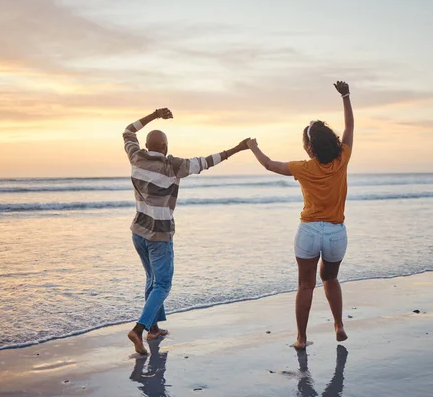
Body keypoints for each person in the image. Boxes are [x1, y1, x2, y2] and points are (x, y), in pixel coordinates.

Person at [123, 107, 249, 354]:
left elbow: (128, 131)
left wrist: (154, 115)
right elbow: (207, 161)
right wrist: (238, 148)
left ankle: (153, 329)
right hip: (159, 236)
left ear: (147, 144)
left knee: (151, 279)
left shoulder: (136, 156)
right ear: (165, 147)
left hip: (138, 232)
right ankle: (138, 330)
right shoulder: (173, 165)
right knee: (163, 285)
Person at [246, 81, 354, 349]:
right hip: (336, 233)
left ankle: (301, 338)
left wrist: (253, 147)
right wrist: (346, 96)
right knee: (330, 278)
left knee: (306, 286)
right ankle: (339, 324)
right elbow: (349, 128)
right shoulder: (343, 158)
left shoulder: (302, 167)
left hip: (308, 232)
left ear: (310, 147)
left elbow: (270, 164)